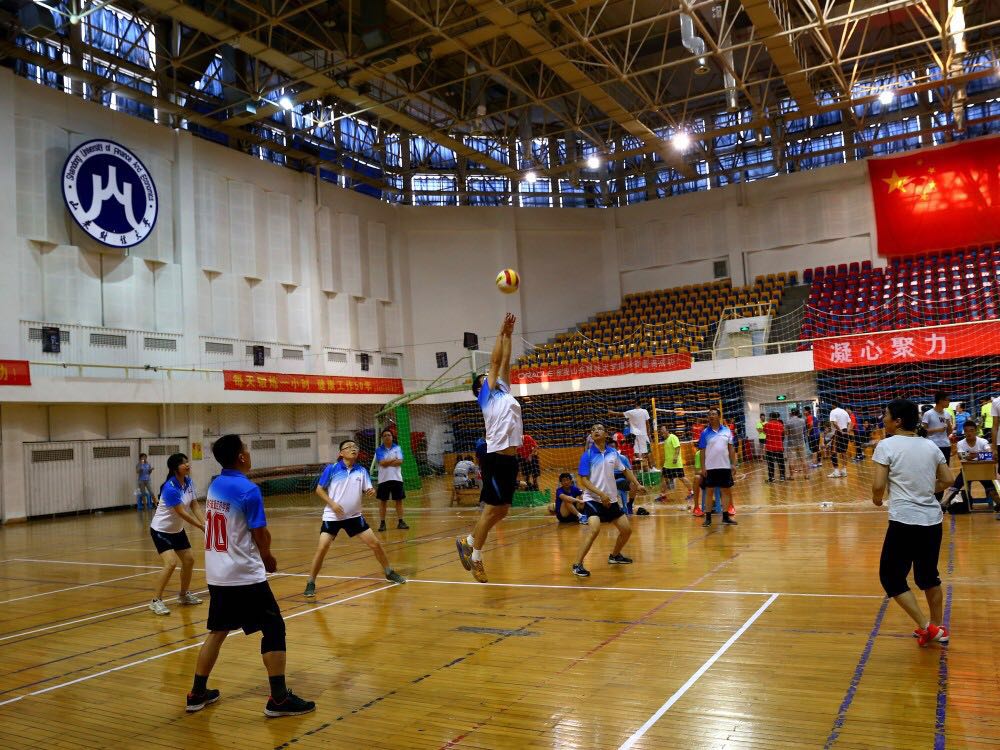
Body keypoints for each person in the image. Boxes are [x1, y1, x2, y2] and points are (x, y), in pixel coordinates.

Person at [186, 434, 315, 717]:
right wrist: (268, 557)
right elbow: (260, 533)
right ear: (242, 457)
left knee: (218, 631)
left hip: (217, 573)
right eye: (246, 448)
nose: (248, 452)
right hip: (243, 574)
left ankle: (197, 693)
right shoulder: (248, 490)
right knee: (274, 628)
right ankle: (278, 699)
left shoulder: (216, 484)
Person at [871, 399, 952, 647]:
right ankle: (939, 628)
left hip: (904, 521)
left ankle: (927, 627)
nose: (883, 419)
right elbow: (947, 480)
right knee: (928, 576)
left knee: (891, 578)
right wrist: (926, 489)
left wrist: (877, 499)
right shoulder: (930, 445)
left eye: (886, 415)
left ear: (898, 421)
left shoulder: (886, 445)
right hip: (932, 521)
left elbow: (878, 485)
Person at [456, 313, 522, 583]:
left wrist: (509, 334)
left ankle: (469, 540)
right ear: (479, 388)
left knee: (503, 509)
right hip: (495, 457)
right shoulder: (485, 397)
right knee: (492, 509)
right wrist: (499, 331)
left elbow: (505, 361)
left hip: (511, 459)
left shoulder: (504, 392)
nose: (490, 377)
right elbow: (495, 362)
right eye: (485, 378)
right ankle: (476, 557)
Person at [304, 439, 407, 597]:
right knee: (322, 548)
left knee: (375, 544)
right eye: (349, 447)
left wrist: (371, 491)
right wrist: (333, 504)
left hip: (354, 517)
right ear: (341, 453)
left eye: (355, 447)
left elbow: (368, 488)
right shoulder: (332, 469)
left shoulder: (362, 470)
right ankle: (310, 582)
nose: (353, 449)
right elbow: (319, 490)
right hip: (333, 517)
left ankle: (389, 572)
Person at [572, 423, 640, 577]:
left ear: (606, 434)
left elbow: (625, 470)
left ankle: (615, 556)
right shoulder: (587, 455)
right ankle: (577, 564)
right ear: (591, 435)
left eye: (599, 429)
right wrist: (601, 494)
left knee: (626, 530)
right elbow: (584, 480)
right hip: (593, 500)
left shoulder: (613, 453)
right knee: (594, 529)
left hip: (611, 500)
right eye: (593, 429)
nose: (595, 431)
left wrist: (637, 484)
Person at [148, 453, 205, 616]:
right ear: (175, 468)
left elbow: (194, 505)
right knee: (171, 563)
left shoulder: (189, 482)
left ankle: (183, 595)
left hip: (177, 530)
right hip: (161, 530)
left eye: (187, 462)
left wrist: (205, 523)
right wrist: (200, 526)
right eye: (183, 463)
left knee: (189, 560)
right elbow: (181, 512)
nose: (187, 465)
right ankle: (155, 601)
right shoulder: (170, 488)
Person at [942, 420, 998, 508]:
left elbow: (989, 453)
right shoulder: (960, 443)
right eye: (966, 431)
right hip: (966, 471)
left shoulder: (983, 441)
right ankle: (943, 504)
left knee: (991, 489)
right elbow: (961, 456)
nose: (969, 433)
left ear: (976, 431)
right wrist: (979, 455)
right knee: (955, 487)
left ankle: (998, 503)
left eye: (971, 430)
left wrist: (971, 455)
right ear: (964, 432)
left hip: (982, 471)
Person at [696, 408, 738, 527]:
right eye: (709, 414)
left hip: (725, 466)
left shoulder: (727, 431)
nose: (711, 416)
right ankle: (708, 518)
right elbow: (702, 451)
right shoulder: (704, 432)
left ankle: (725, 517)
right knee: (709, 492)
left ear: (719, 416)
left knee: (726, 491)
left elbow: (731, 449)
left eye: (714, 414)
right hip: (710, 468)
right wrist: (703, 467)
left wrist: (733, 464)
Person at [374, 428, 409, 532]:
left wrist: (387, 462)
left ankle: (401, 522)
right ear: (382, 438)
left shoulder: (398, 448)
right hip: (383, 479)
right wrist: (394, 459)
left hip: (397, 478)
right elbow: (382, 463)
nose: (387, 437)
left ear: (392, 437)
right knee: (383, 501)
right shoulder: (379, 449)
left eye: (389, 435)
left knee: (399, 501)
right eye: (385, 435)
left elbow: (400, 462)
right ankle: (382, 523)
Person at [657, 424, 693, 502]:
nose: (661, 431)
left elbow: (677, 447)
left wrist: (675, 458)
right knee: (664, 478)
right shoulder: (666, 440)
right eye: (661, 430)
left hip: (675, 464)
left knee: (682, 478)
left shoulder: (673, 437)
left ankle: (692, 492)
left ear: (667, 431)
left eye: (663, 429)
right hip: (667, 464)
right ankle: (662, 495)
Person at [611, 404, 651, 472]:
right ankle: (646, 470)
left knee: (638, 459)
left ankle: (645, 469)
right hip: (626, 449)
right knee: (641, 458)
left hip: (623, 450)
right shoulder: (622, 434)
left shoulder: (617, 434)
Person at [828, 402, 852, 478]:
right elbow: (850, 423)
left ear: (833, 405)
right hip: (845, 432)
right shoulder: (844, 412)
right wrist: (847, 431)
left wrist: (840, 431)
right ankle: (844, 471)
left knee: (833, 451)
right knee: (843, 452)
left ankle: (836, 472)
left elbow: (835, 423)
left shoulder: (833, 411)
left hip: (837, 432)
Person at [784, 408, 809, 479]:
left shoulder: (788, 421)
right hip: (801, 442)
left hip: (791, 443)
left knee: (791, 460)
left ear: (791, 413)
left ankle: (792, 476)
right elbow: (804, 431)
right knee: (803, 459)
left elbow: (786, 433)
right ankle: (806, 475)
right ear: (798, 413)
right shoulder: (802, 421)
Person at [763, 411, 786, 482]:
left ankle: (771, 478)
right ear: (777, 417)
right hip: (779, 446)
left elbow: (764, 432)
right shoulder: (780, 425)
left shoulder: (767, 424)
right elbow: (783, 435)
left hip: (769, 447)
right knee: (781, 462)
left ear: (770, 417)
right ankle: (782, 477)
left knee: (770, 463)